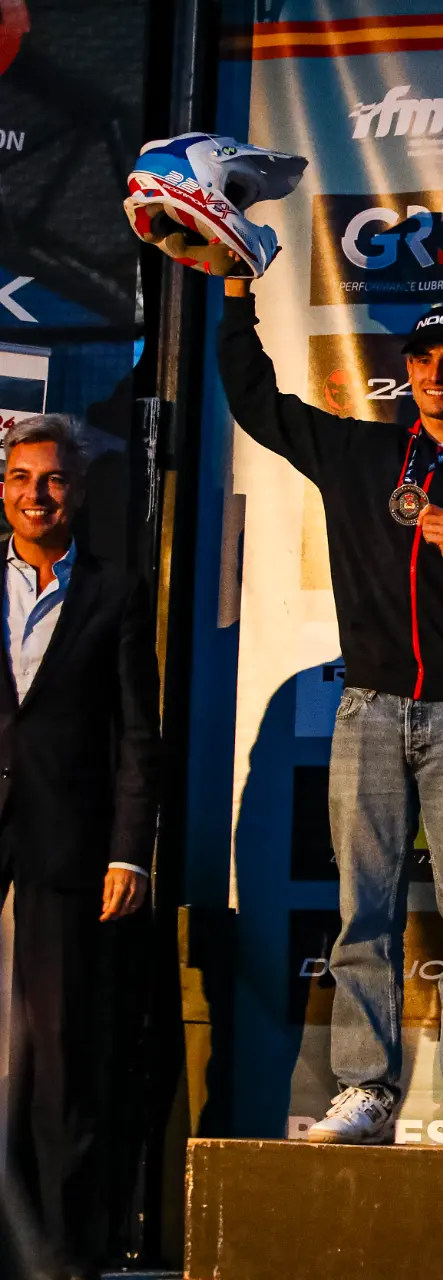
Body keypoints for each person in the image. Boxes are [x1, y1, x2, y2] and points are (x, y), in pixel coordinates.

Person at [219, 278, 443, 1148]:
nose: (437, 374)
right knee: (362, 915)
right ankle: (365, 1091)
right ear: (406, 370)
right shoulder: (362, 453)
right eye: (423, 359)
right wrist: (234, 294)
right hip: (369, 711)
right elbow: (256, 402)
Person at [0, 414, 160, 1276]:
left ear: (80, 491)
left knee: (62, 1063)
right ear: (2, 490)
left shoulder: (115, 592)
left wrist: (128, 851)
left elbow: (138, 735)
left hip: (67, 852)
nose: (38, 495)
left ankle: (61, 1257)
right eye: (22, 478)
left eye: (54, 479)